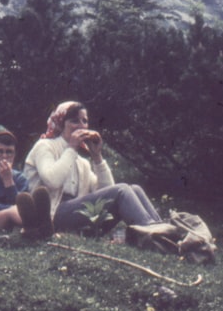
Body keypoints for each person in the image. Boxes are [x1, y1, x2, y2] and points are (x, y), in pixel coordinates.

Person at [22, 101, 162, 238]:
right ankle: (154, 235)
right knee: (122, 190)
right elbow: (52, 180)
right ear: (60, 124)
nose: (81, 126)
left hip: (76, 213)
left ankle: (162, 229)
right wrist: (71, 148)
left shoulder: (81, 162)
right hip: (51, 214)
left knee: (135, 189)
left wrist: (97, 157)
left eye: (84, 121)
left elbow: (108, 191)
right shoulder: (45, 146)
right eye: (74, 121)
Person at [0, 125, 51, 235]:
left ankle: (37, 227)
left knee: (21, 206)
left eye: (9, 152)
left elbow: (24, 204)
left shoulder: (20, 178)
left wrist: (9, 182)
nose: (4, 156)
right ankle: (38, 226)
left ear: (14, 154)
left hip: (15, 222)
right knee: (11, 212)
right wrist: (11, 209)